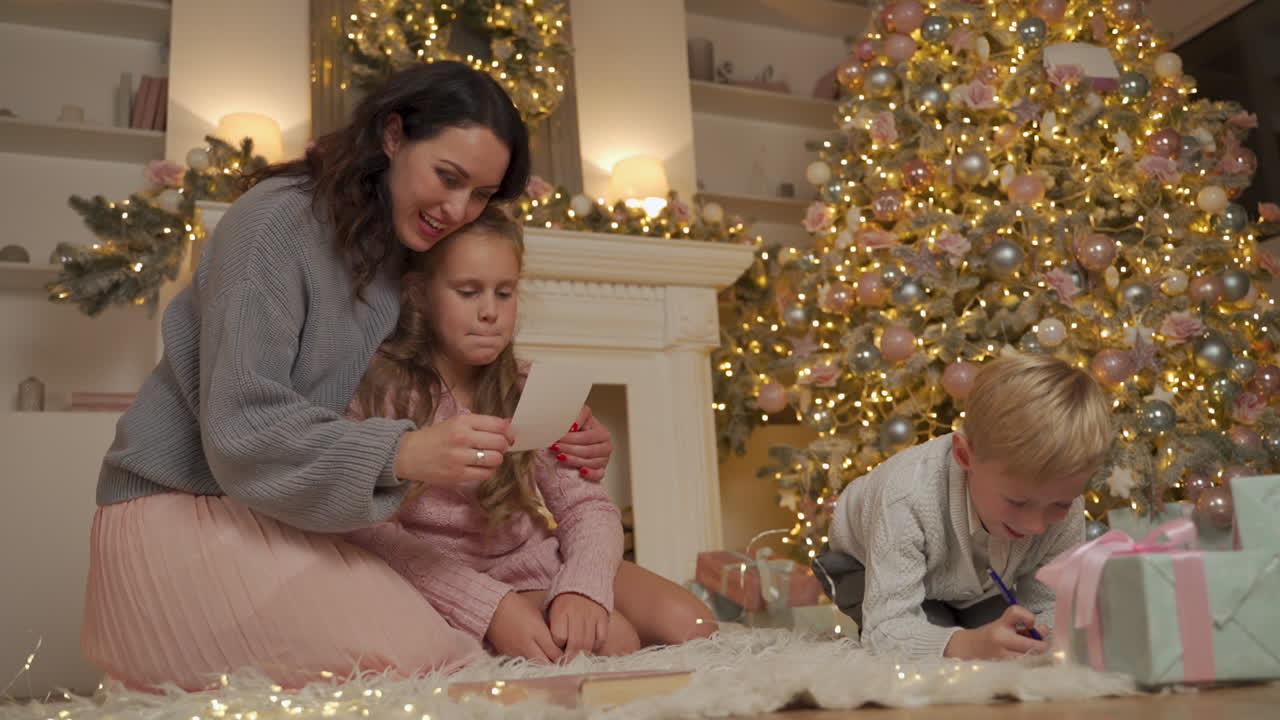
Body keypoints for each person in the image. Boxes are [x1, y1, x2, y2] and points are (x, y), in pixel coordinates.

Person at [80, 62, 615, 691]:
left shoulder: (397, 250)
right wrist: (406, 451)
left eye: (480, 195)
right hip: (180, 511)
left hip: (280, 516)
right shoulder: (272, 225)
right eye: (448, 177)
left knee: (466, 649)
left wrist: (568, 432)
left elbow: (438, 381)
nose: (459, 209)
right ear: (393, 135)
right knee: (430, 663)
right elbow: (241, 430)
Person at [344, 205, 716, 663]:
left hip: (538, 562)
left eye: (504, 293)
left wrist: (583, 586)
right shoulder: (378, 391)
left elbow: (586, 508)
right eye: (468, 291)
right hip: (446, 581)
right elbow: (372, 532)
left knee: (695, 624)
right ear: (419, 293)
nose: (489, 312)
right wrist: (489, 608)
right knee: (614, 640)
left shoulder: (528, 385)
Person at [813, 352, 1113, 660]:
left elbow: (1050, 605)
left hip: (971, 583)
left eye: (1060, 505)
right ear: (965, 456)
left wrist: (1046, 639)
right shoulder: (906, 492)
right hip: (859, 565)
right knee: (936, 643)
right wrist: (970, 645)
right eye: (1017, 501)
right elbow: (887, 631)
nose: (1037, 525)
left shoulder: (1064, 498)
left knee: (1008, 635)